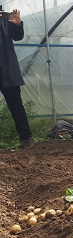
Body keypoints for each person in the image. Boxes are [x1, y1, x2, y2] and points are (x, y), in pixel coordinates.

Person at [0, 8, 32, 148]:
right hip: (6, 69)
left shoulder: (5, 18)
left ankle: (26, 138)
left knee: (16, 105)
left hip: (7, 70)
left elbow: (18, 36)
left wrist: (18, 23)